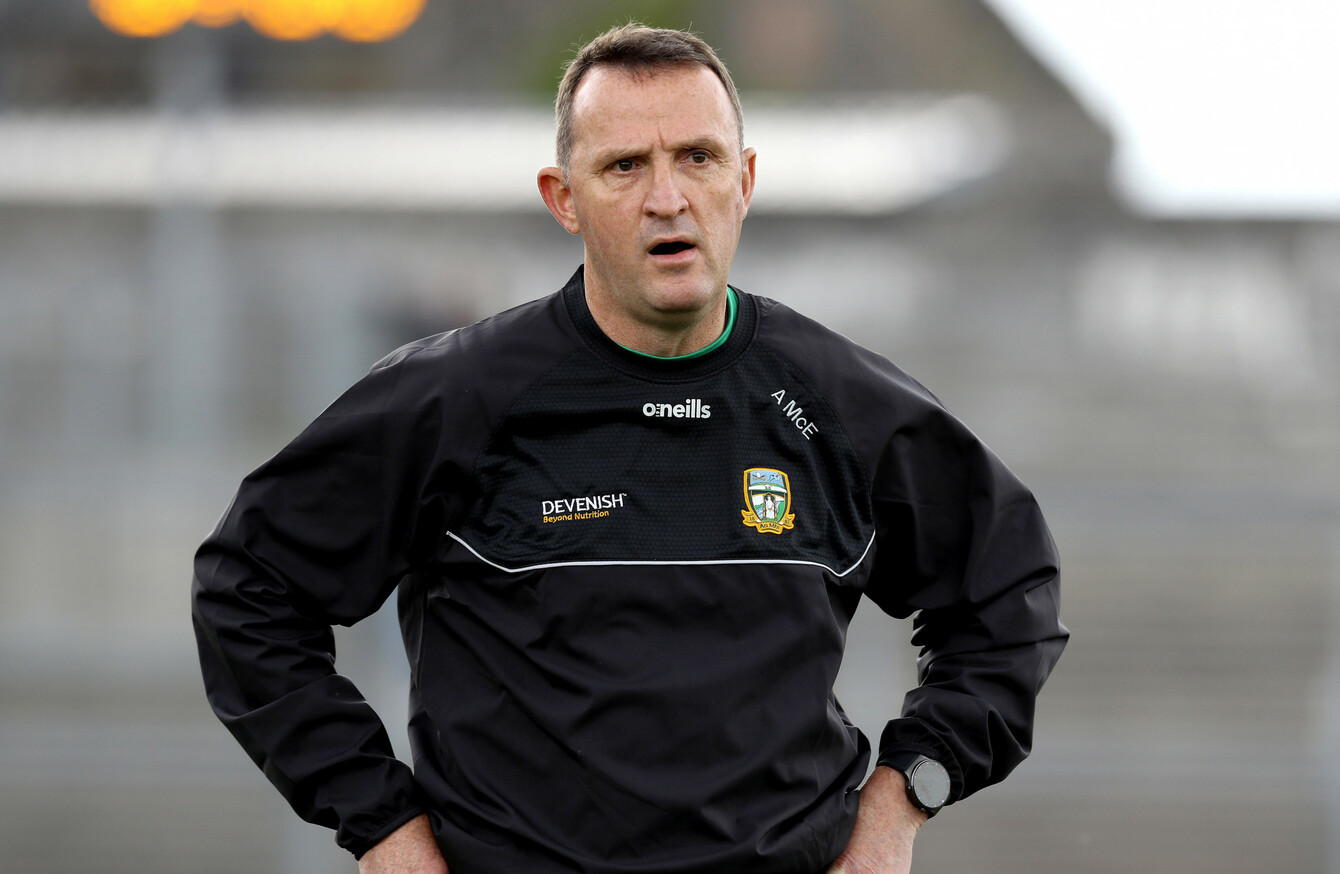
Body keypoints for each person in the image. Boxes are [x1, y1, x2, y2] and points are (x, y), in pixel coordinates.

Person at [192, 23, 1067, 874]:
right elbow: (248, 590)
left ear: (744, 180)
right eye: (624, 166)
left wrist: (904, 799)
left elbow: (1008, 598)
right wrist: (383, 826)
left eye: (698, 157)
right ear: (563, 198)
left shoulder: (842, 403)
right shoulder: (455, 400)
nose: (667, 198)